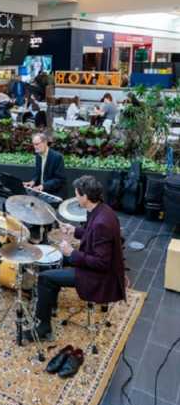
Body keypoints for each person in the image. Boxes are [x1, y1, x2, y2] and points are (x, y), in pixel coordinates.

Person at [26, 176, 126, 342]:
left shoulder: (101, 222)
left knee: (44, 278)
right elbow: (92, 234)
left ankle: (43, 327)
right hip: (95, 265)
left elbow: (102, 263)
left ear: (85, 197)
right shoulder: (101, 210)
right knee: (52, 259)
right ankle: (49, 302)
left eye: (77, 195)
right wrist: (74, 231)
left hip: (99, 277)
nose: (76, 198)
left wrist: (72, 253)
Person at [23, 132, 65, 198]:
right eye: (34, 144)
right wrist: (33, 182)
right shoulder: (38, 155)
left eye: (37, 144)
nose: (35, 147)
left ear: (45, 142)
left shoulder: (57, 157)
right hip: (42, 192)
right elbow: (38, 174)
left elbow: (59, 179)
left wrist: (43, 186)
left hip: (54, 194)